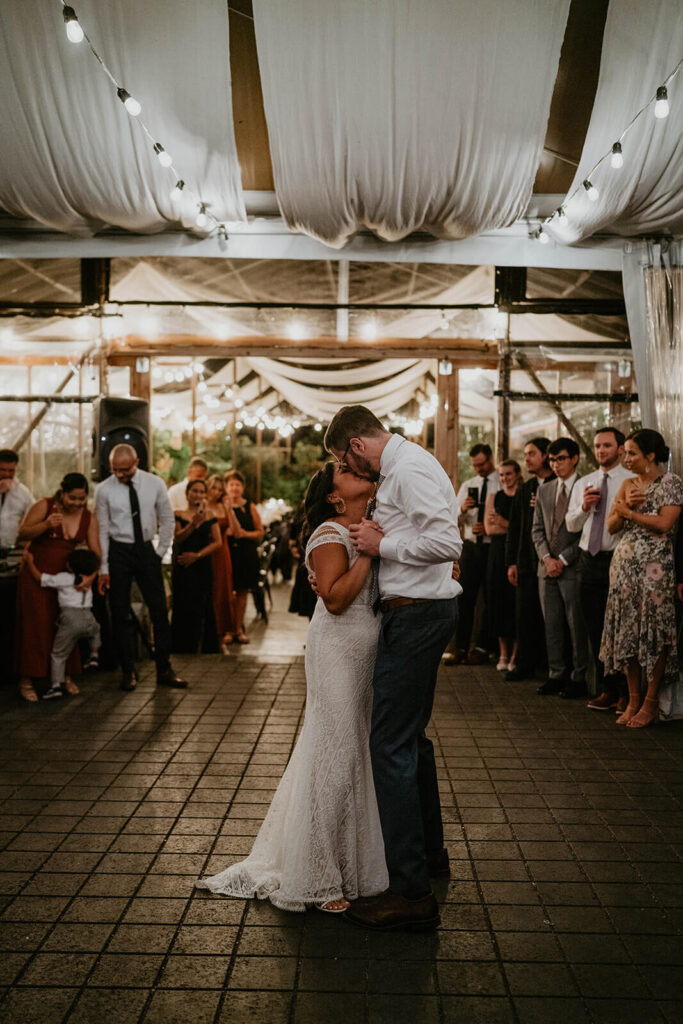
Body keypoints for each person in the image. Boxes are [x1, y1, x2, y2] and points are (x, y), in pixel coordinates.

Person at [197, 460, 388, 912]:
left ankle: (349, 861)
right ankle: (318, 873)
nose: (358, 470)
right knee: (333, 754)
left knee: (355, 753)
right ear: (335, 496)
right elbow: (337, 599)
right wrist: (369, 552)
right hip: (338, 648)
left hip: (367, 650)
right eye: (346, 470)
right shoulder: (329, 534)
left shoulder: (371, 525)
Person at [330, 406, 461, 931]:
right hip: (421, 613)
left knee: (389, 745)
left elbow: (448, 543)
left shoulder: (406, 470)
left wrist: (382, 545)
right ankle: (430, 856)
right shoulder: (408, 464)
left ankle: (410, 893)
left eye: (344, 459)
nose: (347, 469)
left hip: (418, 618)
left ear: (355, 447)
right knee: (412, 741)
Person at [601, 429, 683, 728]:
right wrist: (625, 511)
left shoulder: (670, 483)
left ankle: (650, 702)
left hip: (656, 570)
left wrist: (629, 513)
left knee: (655, 633)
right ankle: (633, 699)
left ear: (650, 455)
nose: (626, 458)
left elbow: (664, 523)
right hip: (624, 569)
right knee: (628, 633)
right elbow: (611, 527)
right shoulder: (627, 484)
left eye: (632, 452)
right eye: (625, 452)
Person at [95, 443, 186, 692]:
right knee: (120, 612)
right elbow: (102, 528)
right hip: (118, 550)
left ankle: (164, 669)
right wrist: (104, 567)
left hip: (146, 549)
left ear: (136, 462)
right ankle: (128, 671)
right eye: (114, 470)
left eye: (124, 470)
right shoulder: (103, 490)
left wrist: (159, 552)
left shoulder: (154, 483)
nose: (119, 475)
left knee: (158, 610)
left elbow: (167, 519)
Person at [566, 427, 635, 711]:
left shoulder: (631, 481)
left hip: (617, 559)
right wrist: (584, 507)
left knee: (620, 628)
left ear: (620, 448)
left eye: (607, 445)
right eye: (597, 446)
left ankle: (626, 691)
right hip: (588, 560)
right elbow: (571, 524)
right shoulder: (586, 481)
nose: (600, 451)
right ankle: (606, 688)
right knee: (594, 625)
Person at [15, 472, 100, 702]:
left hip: (67, 579)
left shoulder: (88, 516)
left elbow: (96, 552)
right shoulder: (45, 505)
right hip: (37, 573)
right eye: (72, 498)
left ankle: (64, 676)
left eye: (81, 499)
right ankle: (27, 679)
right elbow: (22, 534)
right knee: (36, 626)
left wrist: (91, 576)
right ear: (62, 493)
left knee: (65, 627)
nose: (77, 503)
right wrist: (45, 525)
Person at [531, 438, 589, 698]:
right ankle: (556, 674)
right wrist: (546, 558)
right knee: (551, 624)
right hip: (547, 567)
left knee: (576, 624)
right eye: (552, 460)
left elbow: (586, 531)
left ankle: (579, 677)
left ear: (574, 458)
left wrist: (563, 559)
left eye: (561, 459)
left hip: (573, 566)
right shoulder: (545, 489)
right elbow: (537, 530)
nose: (556, 464)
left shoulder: (586, 485)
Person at [504, 438, 555, 682]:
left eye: (532, 453)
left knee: (550, 617)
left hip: (552, 561)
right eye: (525, 454)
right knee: (524, 615)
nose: (527, 459)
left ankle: (550, 666)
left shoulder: (558, 484)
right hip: (525, 560)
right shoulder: (527, 488)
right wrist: (511, 562)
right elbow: (515, 528)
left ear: (546, 455)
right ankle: (524, 664)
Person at [444, 443, 499, 665]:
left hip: (492, 545)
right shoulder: (469, 485)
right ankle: (460, 647)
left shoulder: (501, 482)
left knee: (490, 598)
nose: (479, 469)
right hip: (470, 546)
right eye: (475, 465)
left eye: (483, 464)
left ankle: (483, 648)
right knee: (464, 597)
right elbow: (451, 517)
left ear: (491, 458)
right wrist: (463, 509)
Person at [22, 548, 101, 699]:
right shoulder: (87, 581)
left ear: (69, 566)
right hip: (88, 617)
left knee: (58, 654)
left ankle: (56, 686)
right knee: (97, 630)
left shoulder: (65, 578)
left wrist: (30, 563)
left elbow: (40, 578)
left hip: (70, 618)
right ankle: (94, 654)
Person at [171, 479, 222, 653]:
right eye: (195, 491)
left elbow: (218, 542)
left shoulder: (210, 516)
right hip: (183, 565)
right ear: (187, 494)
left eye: (201, 492)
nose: (198, 495)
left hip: (202, 564)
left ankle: (204, 646)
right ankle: (182, 645)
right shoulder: (178, 514)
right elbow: (177, 538)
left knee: (203, 604)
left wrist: (198, 555)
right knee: (183, 603)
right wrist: (193, 523)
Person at [484, 459, 521, 672]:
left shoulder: (522, 496)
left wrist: (503, 522)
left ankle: (516, 654)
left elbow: (521, 530)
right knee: (497, 600)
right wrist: (508, 526)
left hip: (515, 552)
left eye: (508, 474)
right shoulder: (493, 496)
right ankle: (503, 653)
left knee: (514, 604)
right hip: (497, 553)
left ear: (517, 474)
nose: (504, 478)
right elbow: (489, 529)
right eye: (501, 475)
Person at [224, 471, 264, 644]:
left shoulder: (250, 506)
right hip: (227, 553)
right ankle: (227, 629)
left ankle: (238, 629)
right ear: (226, 487)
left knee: (242, 593)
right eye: (231, 484)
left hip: (246, 553)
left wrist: (244, 534)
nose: (235, 488)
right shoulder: (222, 506)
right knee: (227, 592)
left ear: (242, 487)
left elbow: (260, 532)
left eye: (238, 485)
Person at [205, 474, 237, 651]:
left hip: (223, 553)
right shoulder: (203, 505)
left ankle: (221, 634)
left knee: (223, 592)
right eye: (214, 488)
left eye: (220, 489)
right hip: (208, 552)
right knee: (211, 592)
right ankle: (210, 634)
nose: (216, 492)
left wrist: (229, 509)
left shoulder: (222, 506)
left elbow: (233, 530)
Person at [0, 448, 33, 550]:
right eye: (2, 470)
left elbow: (32, 519)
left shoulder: (23, 492)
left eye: (11, 471)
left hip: (13, 548)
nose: (7, 474)